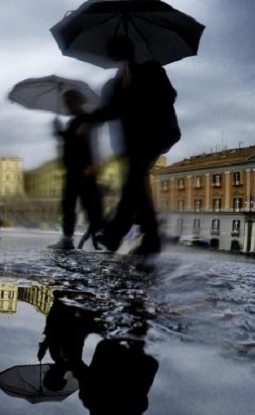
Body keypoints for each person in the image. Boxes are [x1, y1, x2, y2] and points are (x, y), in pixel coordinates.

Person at [87, 34, 181, 257]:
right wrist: (90, 120)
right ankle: (131, 235)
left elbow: (169, 95)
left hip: (156, 133)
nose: (111, 58)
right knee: (134, 184)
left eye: (113, 53)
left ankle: (127, 234)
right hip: (134, 141)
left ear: (124, 51)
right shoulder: (118, 79)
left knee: (134, 180)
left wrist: (135, 86)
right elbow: (112, 109)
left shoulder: (151, 69)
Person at [49, 89, 104, 251]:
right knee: (70, 204)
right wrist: (58, 130)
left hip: (83, 168)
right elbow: (69, 139)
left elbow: (93, 143)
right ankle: (67, 239)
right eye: (66, 101)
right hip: (73, 168)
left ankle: (105, 235)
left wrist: (93, 164)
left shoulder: (86, 119)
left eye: (69, 100)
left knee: (88, 205)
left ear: (78, 101)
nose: (67, 104)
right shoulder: (74, 121)